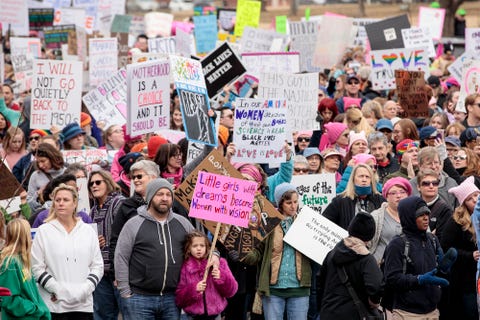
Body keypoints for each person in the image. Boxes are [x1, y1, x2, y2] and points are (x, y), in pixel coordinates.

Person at [114, 178, 197, 320]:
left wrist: (214, 253)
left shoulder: (182, 223)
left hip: (173, 298)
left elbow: (201, 245)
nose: (165, 198)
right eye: (160, 194)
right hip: (139, 298)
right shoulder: (133, 224)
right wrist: (125, 292)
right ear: (151, 196)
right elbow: (121, 257)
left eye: (168, 194)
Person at [32, 184, 104, 319]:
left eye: (65, 200)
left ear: (75, 203)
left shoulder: (88, 231)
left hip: (83, 305)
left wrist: (85, 289)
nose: (60, 203)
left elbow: (97, 266)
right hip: (54, 304)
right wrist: (57, 289)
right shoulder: (44, 231)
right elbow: (36, 267)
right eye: (57, 200)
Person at [242, 183, 312, 320]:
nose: (293, 206)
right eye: (288, 202)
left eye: (296, 202)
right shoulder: (268, 223)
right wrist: (243, 254)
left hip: (299, 287)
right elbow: (258, 253)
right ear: (280, 203)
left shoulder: (306, 223)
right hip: (273, 289)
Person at [383, 196, 449, 319]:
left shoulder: (432, 239)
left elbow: (437, 275)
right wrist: (419, 279)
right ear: (409, 217)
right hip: (407, 313)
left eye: (427, 213)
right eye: (420, 215)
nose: (426, 218)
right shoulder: (397, 244)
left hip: (433, 311)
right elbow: (392, 279)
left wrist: (444, 269)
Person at [318, 212, 383, 320]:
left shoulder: (332, 253)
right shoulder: (366, 259)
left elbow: (320, 281)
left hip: (329, 311)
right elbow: (376, 286)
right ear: (370, 235)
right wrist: (374, 302)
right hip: (355, 314)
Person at [108, 160, 160, 273]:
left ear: (153, 177)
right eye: (133, 177)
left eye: (139, 176)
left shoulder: (169, 203)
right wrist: (115, 272)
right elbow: (116, 240)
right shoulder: (126, 206)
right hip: (135, 273)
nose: (135, 180)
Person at [88, 170, 125, 320]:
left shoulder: (119, 203)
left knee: (128, 313)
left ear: (108, 183)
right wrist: (93, 242)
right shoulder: (92, 210)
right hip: (101, 271)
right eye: (91, 184)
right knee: (103, 315)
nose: (94, 186)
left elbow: (124, 235)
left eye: (98, 182)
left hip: (119, 270)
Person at [441, 177, 480, 319]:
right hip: (466, 278)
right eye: (470, 198)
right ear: (464, 203)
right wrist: (470, 255)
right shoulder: (456, 221)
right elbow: (446, 247)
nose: (475, 200)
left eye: (476, 195)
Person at [175, 231, 238, 319]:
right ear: (188, 248)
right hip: (193, 316)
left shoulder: (219, 263)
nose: (199, 249)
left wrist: (222, 277)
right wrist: (194, 289)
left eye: (202, 245)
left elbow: (232, 291)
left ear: (207, 247)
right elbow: (179, 299)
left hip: (215, 315)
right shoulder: (185, 267)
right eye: (195, 246)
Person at [0, 219, 51, 320]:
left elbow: (32, 293)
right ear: (23, 236)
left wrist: (42, 310)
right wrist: (35, 309)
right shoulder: (10, 262)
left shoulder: (22, 259)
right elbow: (8, 298)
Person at [323, 164, 384, 229]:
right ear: (353, 179)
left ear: (371, 180)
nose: (364, 179)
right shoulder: (339, 201)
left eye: (367, 177)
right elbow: (325, 223)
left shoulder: (380, 200)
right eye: (361, 176)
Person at [370, 177, 412, 263]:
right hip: (381, 265)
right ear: (386, 196)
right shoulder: (376, 216)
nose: (398, 196)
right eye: (393, 193)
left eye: (402, 192)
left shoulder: (415, 215)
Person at [26, 143, 66, 210]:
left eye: (43, 161)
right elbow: (29, 203)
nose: (40, 165)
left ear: (52, 158)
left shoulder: (66, 173)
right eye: (38, 162)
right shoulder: (35, 176)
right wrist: (38, 195)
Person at [416, 169, 452, 243]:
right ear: (418, 187)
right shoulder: (412, 206)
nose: (431, 186)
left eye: (435, 183)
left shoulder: (445, 209)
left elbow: (442, 239)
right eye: (426, 183)